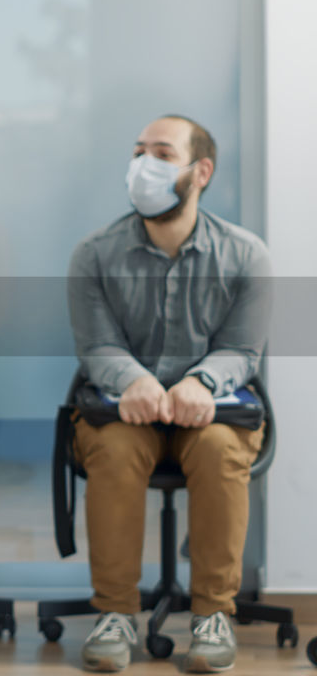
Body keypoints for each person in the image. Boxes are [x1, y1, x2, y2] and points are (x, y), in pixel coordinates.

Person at [67, 115, 271, 673]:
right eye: (138, 152)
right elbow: (98, 346)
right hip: (122, 413)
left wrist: (201, 381)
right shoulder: (94, 253)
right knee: (112, 451)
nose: (142, 165)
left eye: (161, 152)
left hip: (213, 415)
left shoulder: (246, 255)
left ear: (200, 171)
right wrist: (133, 380)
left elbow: (242, 351)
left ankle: (213, 614)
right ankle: (115, 614)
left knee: (219, 450)